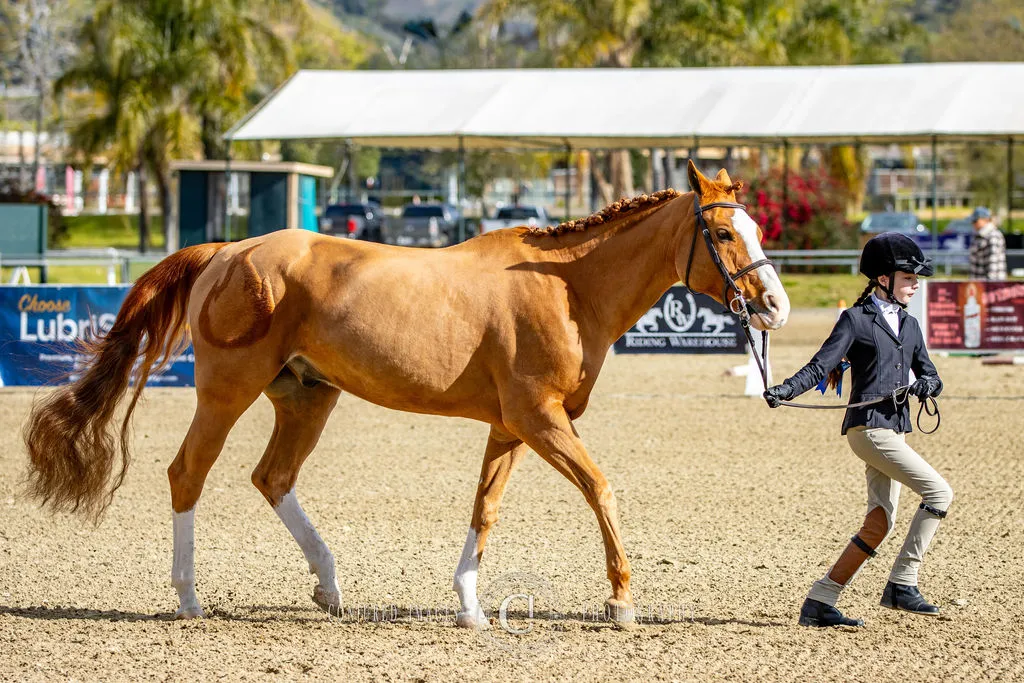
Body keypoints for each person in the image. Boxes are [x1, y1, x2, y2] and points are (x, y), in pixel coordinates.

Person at [764, 232, 953, 628]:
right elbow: (821, 365)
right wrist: (785, 389)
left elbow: (932, 376)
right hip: (868, 429)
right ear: (883, 278)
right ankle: (903, 582)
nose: (916, 285)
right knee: (939, 491)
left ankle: (821, 599)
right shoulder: (855, 319)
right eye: (908, 278)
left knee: (879, 523)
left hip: (895, 429)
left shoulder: (911, 324)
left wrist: (926, 386)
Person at [968, 207, 1007, 281]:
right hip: (979, 284)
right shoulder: (979, 235)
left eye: (975, 220)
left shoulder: (993, 235)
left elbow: (993, 263)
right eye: (972, 221)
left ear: (986, 219)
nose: (973, 223)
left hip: (990, 286)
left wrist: (990, 286)